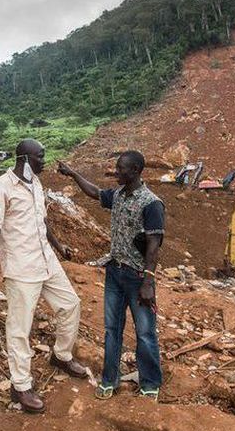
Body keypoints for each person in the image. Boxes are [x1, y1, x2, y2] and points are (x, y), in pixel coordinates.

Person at [0, 139, 88, 414]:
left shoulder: (36, 184)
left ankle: (61, 356)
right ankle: (20, 385)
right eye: (40, 157)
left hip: (46, 260)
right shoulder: (2, 186)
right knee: (20, 327)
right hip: (21, 266)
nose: (44, 162)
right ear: (25, 159)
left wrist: (59, 247)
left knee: (71, 304)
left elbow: (42, 222)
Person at [58, 151, 164, 401]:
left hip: (138, 276)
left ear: (136, 170)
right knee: (111, 329)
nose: (116, 172)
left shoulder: (151, 203)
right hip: (115, 273)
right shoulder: (118, 195)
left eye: (121, 169)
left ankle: (150, 383)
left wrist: (148, 281)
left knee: (145, 332)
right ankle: (110, 379)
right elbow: (95, 193)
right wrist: (73, 174)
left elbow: (153, 245)